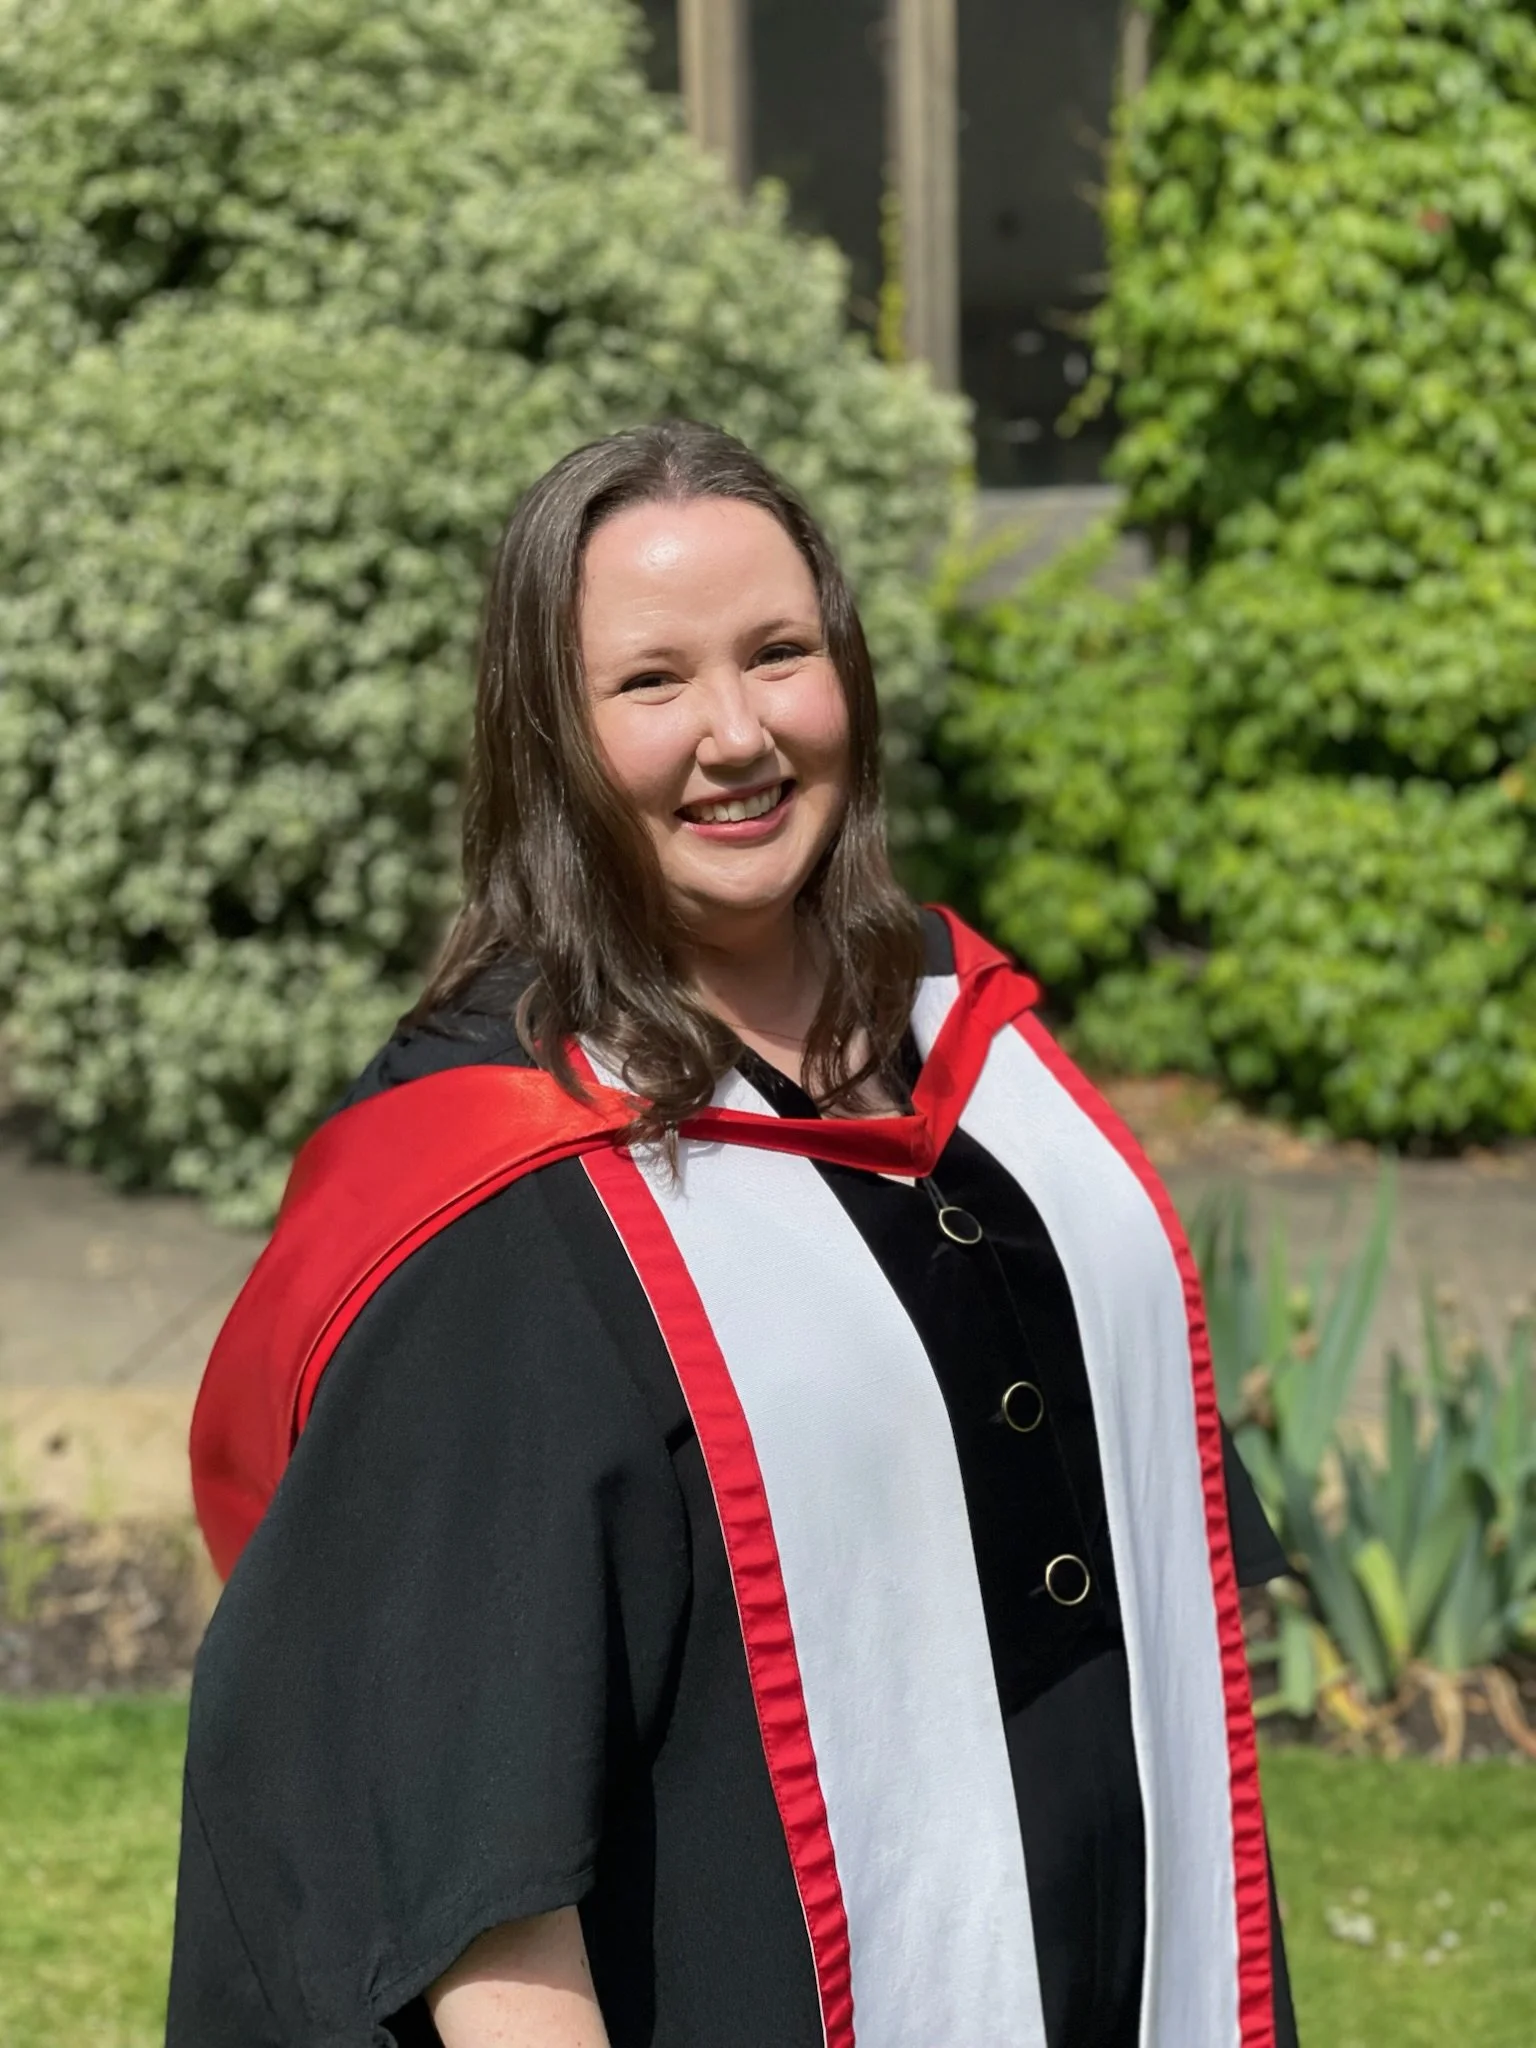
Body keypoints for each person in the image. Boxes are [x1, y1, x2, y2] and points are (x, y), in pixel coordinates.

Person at [168, 420, 1299, 2048]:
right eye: (651, 684)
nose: (738, 734)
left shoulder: (963, 1030)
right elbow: (471, 1870)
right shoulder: (501, 1190)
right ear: (547, 737)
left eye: (780, 654)